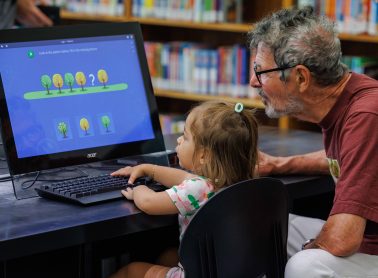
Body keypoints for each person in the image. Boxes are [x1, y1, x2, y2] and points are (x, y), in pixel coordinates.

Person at [248, 6, 378, 278]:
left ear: (301, 77)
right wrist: (279, 165)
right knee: (262, 225)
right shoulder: (352, 99)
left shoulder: (367, 115)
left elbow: (343, 239)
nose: (253, 82)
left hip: (369, 248)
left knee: (304, 266)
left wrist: (310, 248)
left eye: (261, 72)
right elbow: (350, 159)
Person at [109, 100, 259, 278]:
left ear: (204, 155)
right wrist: (150, 169)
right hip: (235, 270)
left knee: (131, 271)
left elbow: (149, 203)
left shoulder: (197, 189)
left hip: (200, 274)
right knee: (167, 256)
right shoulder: (238, 181)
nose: (179, 140)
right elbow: (186, 179)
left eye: (185, 137)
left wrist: (137, 189)